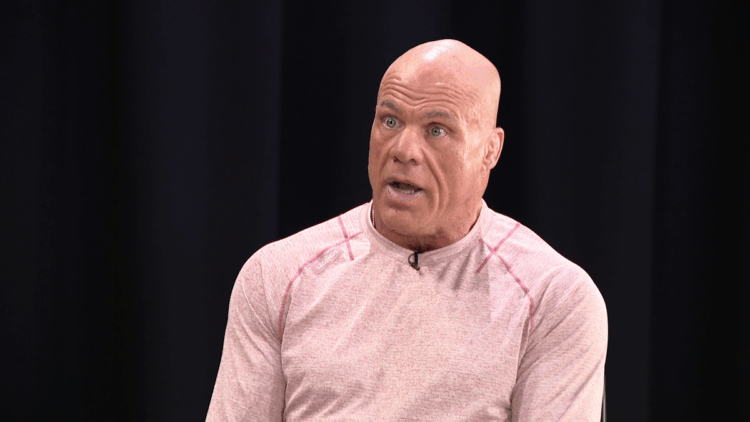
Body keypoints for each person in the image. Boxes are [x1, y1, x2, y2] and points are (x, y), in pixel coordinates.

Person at [206, 39, 607, 421]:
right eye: (390, 121)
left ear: (491, 149)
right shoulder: (276, 277)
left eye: (437, 130)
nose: (403, 150)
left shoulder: (554, 298)